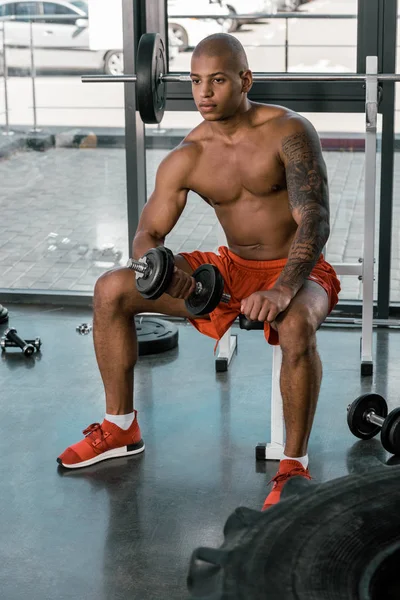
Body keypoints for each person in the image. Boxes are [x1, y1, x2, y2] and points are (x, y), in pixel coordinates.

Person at [57, 33, 340, 510]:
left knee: (294, 323)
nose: (204, 92)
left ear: (245, 80)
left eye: (218, 80)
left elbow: (315, 218)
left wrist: (283, 289)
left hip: (299, 267)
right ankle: (120, 426)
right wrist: (166, 274)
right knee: (111, 290)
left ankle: (293, 463)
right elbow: (146, 237)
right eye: (194, 81)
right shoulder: (189, 155)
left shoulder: (289, 131)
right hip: (232, 267)